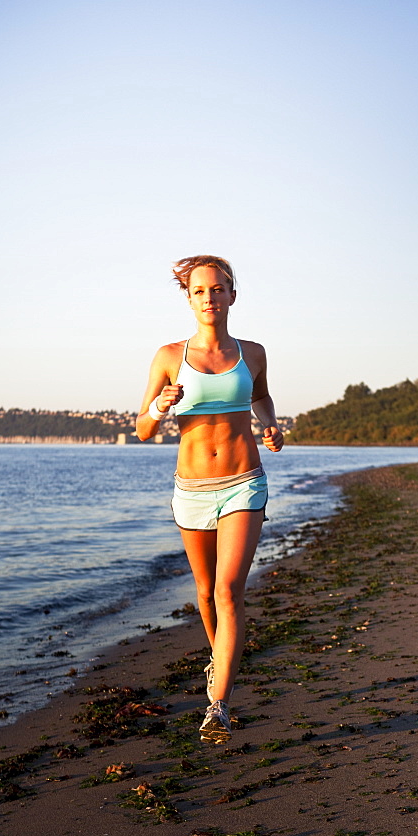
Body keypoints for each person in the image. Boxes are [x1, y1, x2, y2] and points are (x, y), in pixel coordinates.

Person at [136, 255, 283, 744]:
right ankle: (219, 664)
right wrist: (161, 405)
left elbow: (260, 396)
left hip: (244, 481)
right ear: (189, 298)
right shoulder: (167, 356)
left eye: (218, 289)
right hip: (192, 490)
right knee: (204, 594)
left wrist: (270, 424)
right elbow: (142, 429)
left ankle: (217, 704)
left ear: (232, 296)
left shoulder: (253, 352)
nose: (209, 298)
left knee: (228, 591)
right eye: (199, 291)